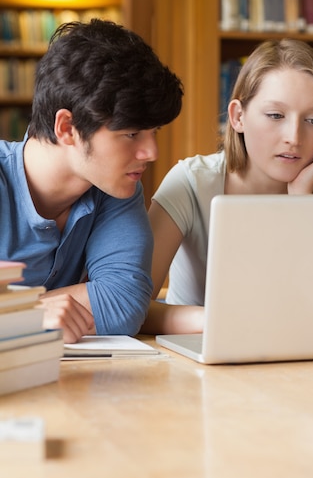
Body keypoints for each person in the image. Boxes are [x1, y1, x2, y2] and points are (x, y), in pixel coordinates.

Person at [141, 38, 313, 336]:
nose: (294, 137)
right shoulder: (190, 182)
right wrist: (221, 321)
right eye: (275, 115)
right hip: (199, 356)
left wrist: (302, 210)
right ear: (238, 116)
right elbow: (132, 306)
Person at [0, 18, 183, 343]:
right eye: (131, 133)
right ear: (67, 127)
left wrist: (13, 313)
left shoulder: (116, 187)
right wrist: (31, 317)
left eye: (153, 132)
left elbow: (125, 304)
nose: (151, 152)